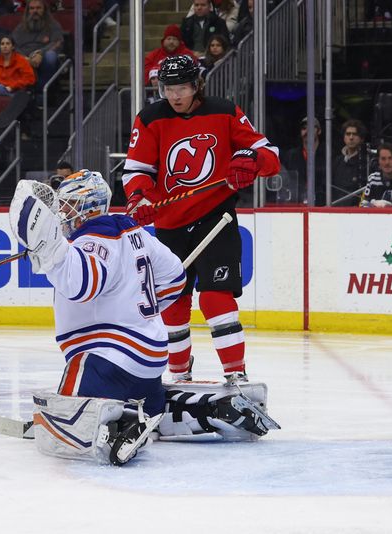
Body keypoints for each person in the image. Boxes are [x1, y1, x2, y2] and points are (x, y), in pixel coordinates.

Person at [8, 171, 274, 465]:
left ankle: (117, 425)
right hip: (149, 365)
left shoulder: (93, 240)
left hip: (106, 361)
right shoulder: (137, 235)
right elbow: (175, 276)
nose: (62, 212)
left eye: (68, 205)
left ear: (89, 207)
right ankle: (205, 409)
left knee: (67, 404)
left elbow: (80, 284)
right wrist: (136, 303)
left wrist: (52, 253)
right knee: (148, 402)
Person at [122, 55, 280, 384]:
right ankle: (179, 375)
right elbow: (137, 171)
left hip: (215, 218)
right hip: (169, 226)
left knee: (214, 297)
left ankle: (235, 374)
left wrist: (250, 160)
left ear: (197, 85)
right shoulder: (150, 118)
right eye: (168, 88)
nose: (175, 96)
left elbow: (269, 156)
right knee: (174, 304)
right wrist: (140, 197)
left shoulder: (224, 111)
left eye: (182, 87)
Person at [11, 0, 62, 93]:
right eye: (32, 8)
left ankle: (43, 93)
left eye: (38, 8)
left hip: (43, 57)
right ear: (28, 11)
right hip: (24, 57)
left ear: (44, 10)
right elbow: (13, 45)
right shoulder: (20, 27)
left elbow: (57, 43)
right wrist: (24, 58)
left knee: (51, 56)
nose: (35, 11)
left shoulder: (53, 25)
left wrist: (40, 53)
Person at [280, 116, 327, 205]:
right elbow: (285, 182)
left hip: (322, 205)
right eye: (304, 128)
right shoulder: (291, 156)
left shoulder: (328, 155)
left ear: (319, 131)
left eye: (311, 127)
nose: (307, 131)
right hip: (296, 204)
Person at [332, 118, 370, 205]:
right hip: (336, 210)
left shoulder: (367, 162)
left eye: (355, 134)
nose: (351, 137)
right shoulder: (337, 161)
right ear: (344, 137)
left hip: (357, 212)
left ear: (362, 138)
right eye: (348, 134)